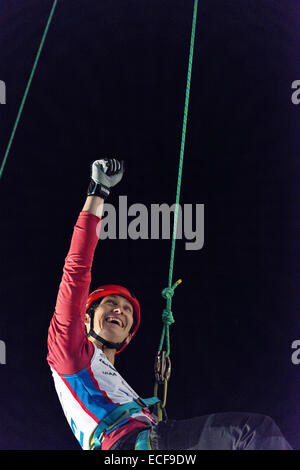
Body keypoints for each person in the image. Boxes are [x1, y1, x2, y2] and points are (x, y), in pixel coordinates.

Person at [47, 158, 292, 451]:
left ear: (127, 337)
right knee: (252, 433)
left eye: (126, 310)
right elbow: (76, 269)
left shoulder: (107, 384)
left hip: (138, 443)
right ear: (86, 317)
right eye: (110, 303)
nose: (119, 311)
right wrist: (98, 192)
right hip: (132, 444)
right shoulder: (67, 351)